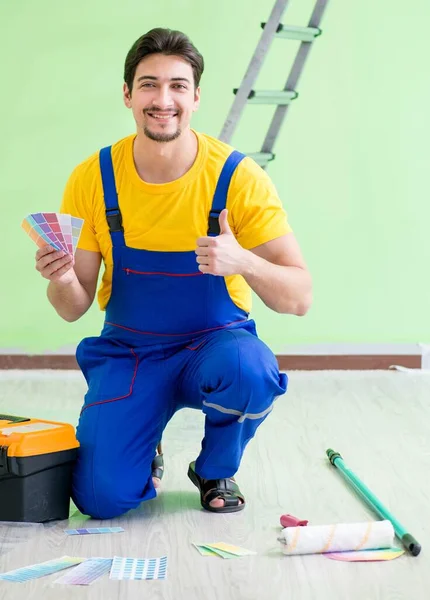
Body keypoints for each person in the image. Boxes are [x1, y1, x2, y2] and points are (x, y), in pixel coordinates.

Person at [35, 28, 312, 519]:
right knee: (101, 499)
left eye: (178, 86)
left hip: (214, 345)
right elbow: (72, 308)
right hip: (131, 352)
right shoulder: (94, 178)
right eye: (148, 84)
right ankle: (147, 439)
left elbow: (298, 298)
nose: (163, 100)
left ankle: (214, 468)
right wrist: (59, 278)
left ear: (196, 96)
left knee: (252, 372)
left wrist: (243, 260)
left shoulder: (236, 178)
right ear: (127, 94)